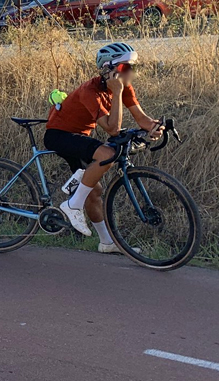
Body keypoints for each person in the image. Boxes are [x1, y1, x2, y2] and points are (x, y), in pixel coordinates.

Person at [45, 42, 163, 253]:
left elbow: (141, 118)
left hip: (78, 135)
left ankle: (106, 243)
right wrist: (117, 93)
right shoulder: (90, 91)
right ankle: (72, 205)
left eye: (133, 67)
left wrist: (155, 127)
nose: (131, 72)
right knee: (107, 153)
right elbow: (113, 129)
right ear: (110, 69)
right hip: (58, 135)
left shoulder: (124, 87)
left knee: (94, 191)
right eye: (127, 68)